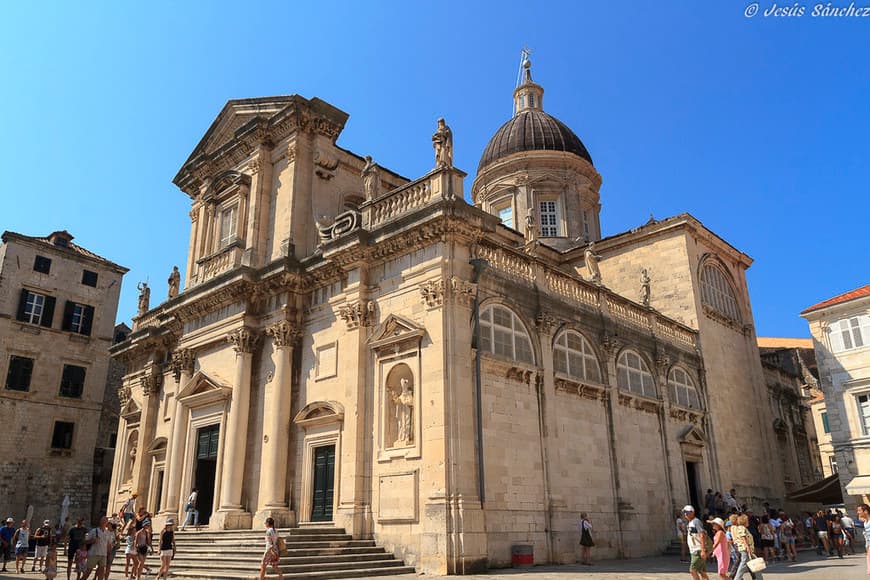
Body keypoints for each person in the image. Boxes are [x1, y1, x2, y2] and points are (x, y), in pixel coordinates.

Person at [732, 514, 763, 580]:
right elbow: (743, 537)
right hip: (745, 548)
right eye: (747, 520)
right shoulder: (741, 528)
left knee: (754, 563)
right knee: (743, 563)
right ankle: (737, 578)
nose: (748, 522)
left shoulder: (743, 528)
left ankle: (759, 578)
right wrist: (747, 547)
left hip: (747, 548)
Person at [82, 516, 114, 580]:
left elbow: (109, 545)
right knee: (88, 572)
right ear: (100, 521)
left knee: (101, 573)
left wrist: (110, 554)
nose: (103, 522)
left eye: (105, 521)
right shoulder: (94, 531)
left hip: (103, 555)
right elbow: (85, 541)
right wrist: (92, 541)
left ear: (107, 523)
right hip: (94, 554)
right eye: (102, 521)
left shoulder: (108, 533)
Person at [683, 505, 709, 580]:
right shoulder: (691, 523)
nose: (686, 514)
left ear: (692, 512)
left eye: (687, 512)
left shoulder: (696, 521)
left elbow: (702, 535)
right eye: (685, 513)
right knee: (702, 571)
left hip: (697, 549)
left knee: (692, 570)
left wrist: (703, 549)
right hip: (694, 550)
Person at [856, 503, 870, 575]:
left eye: (859, 510)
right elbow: (859, 518)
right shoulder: (865, 521)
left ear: (866, 511)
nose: (858, 512)